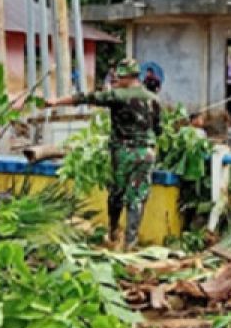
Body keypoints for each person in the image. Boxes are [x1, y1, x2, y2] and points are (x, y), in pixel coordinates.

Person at [45, 58, 160, 248]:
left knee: (116, 194)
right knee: (137, 198)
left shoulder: (117, 96)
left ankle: (113, 232)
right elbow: (158, 128)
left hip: (123, 152)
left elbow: (86, 97)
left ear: (125, 76)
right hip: (146, 153)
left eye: (119, 76)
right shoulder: (154, 99)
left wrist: (56, 102)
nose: (117, 79)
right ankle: (131, 243)